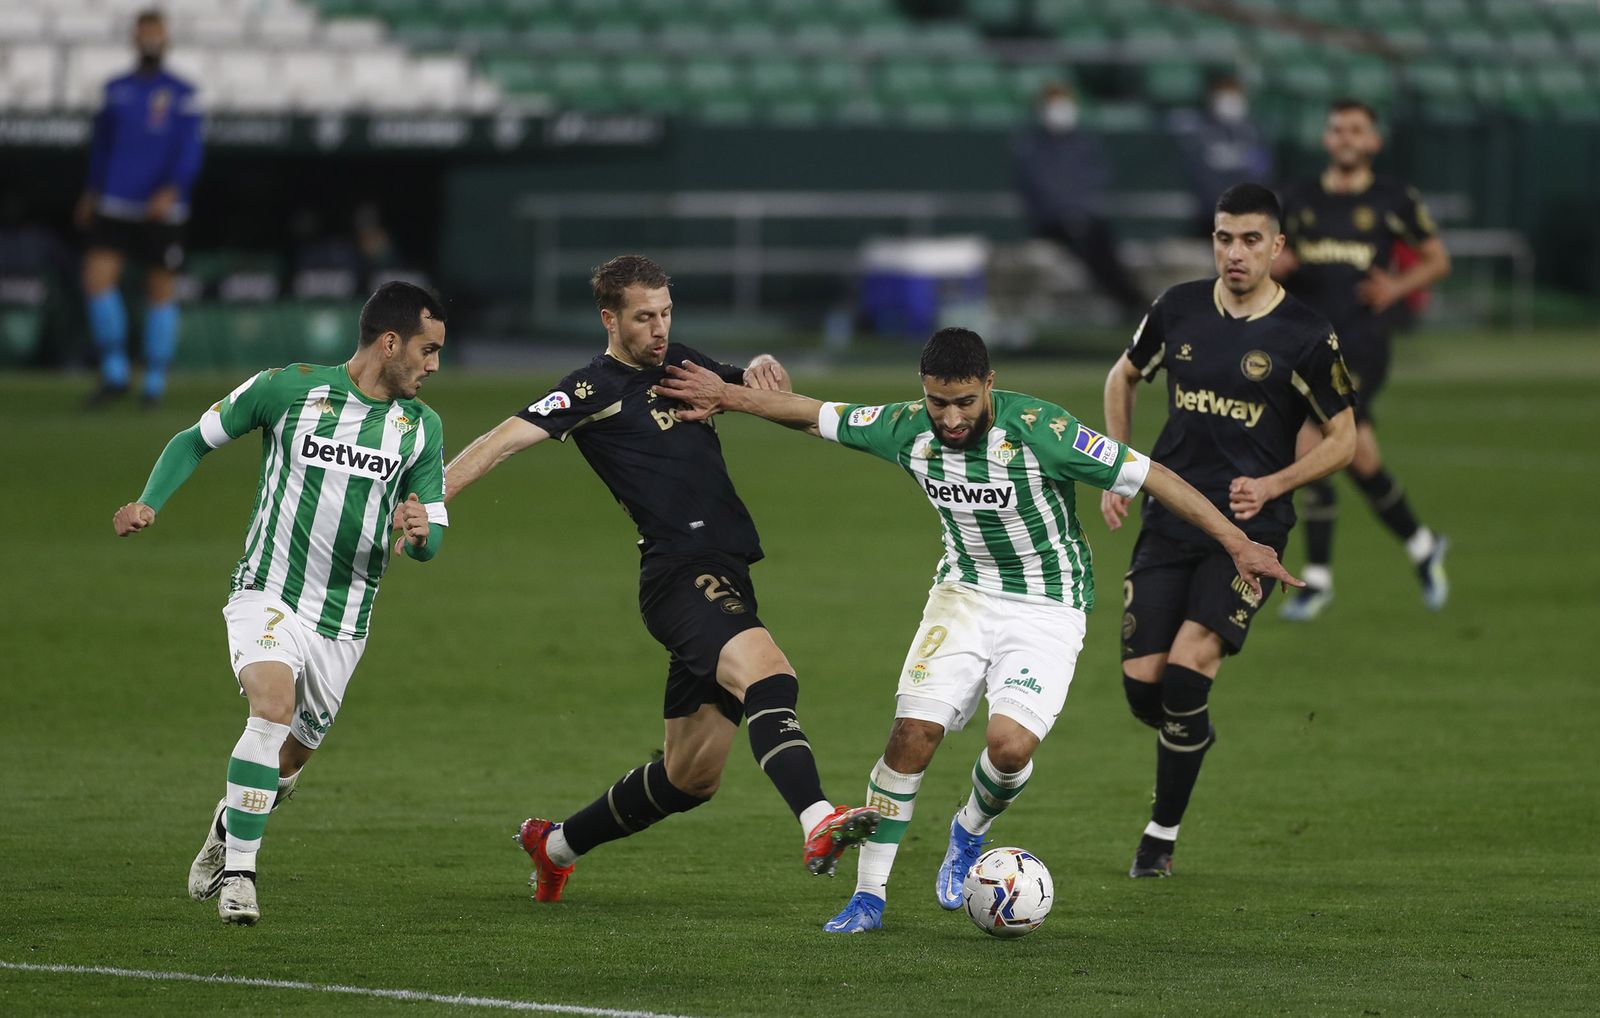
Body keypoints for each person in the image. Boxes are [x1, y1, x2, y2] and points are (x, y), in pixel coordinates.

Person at [655, 327, 1301, 932]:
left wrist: (1239, 543)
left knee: (1011, 747)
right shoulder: (905, 428)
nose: (953, 417)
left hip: (1049, 605)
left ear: (989, 384)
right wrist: (727, 397)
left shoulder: (1041, 430)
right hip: (962, 595)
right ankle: (869, 895)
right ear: (923, 390)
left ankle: (969, 828)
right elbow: (813, 413)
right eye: (939, 402)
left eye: (964, 402)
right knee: (912, 735)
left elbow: (1150, 474)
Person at [441, 255, 879, 904]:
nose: (659, 329)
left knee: (690, 778)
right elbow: (502, 441)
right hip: (680, 574)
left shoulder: (680, 366)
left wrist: (762, 371)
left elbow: (766, 398)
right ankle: (819, 821)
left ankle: (554, 845)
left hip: (723, 571)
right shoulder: (591, 389)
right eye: (644, 317)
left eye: (667, 313)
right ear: (609, 318)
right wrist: (431, 500)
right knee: (770, 674)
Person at [111, 281, 449, 924]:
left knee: (289, 760)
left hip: (345, 619)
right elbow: (193, 439)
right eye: (427, 351)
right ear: (389, 342)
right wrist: (149, 500)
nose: (433, 366)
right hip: (268, 590)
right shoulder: (288, 388)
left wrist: (420, 531)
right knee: (271, 707)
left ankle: (224, 825)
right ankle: (241, 874)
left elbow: (431, 541)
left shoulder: (421, 430)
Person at [1101, 183, 1357, 878]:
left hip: (1250, 531)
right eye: (1223, 237)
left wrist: (1276, 484)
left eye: (1250, 240)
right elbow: (1122, 378)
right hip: (1169, 515)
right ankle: (1192, 734)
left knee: (1188, 672)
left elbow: (1344, 439)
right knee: (1142, 688)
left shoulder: (1306, 335)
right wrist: (1124, 467)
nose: (1234, 252)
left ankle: (1160, 835)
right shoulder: (1177, 309)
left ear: (1278, 246)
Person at [1274, 99, 1453, 620]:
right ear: (1327, 139)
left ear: (1373, 141)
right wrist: (1275, 262)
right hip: (1307, 346)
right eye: (1337, 130)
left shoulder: (1393, 198)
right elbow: (1269, 255)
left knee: (1314, 442)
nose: (1346, 137)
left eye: (1357, 130)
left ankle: (1318, 580)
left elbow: (1438, 259)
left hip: (1364, 347)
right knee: (1358, 456)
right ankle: (1423, 546)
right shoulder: (1297, 197)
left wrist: (1397, 286)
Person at [77, 8, 204, 407]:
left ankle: (153, 381)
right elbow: (102, 146)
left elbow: (190, 150)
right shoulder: (116, 89)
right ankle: (115, 371)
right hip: (116, 199)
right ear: (135, 38)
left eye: (156, 32)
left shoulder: (183, 93)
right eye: (144, 32)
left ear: (165, 39)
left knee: (160, 288)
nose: (150, 39)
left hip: (162, 208)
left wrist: (173, 188)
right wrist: (92, 190)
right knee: (97, 277)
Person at [1013, 82, 1147, 318]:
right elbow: (1040, 188)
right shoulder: (1032, 145)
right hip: (1051, 223)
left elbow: (1097, 178)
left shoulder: (1083, 142)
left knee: (1101, 245)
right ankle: (1130, 302)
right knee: (1091, 247)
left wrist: (1081, 211)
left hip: (1087, 220)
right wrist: (1068, 212)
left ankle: (1130, 300)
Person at [1168, 74, 1274, 235]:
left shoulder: (1254, 131)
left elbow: (1263, 171)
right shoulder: (1199, 132)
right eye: (1225, 97)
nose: (1230, 103)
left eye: (1234, 97)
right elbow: (1198, 174)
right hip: (1209, 214)